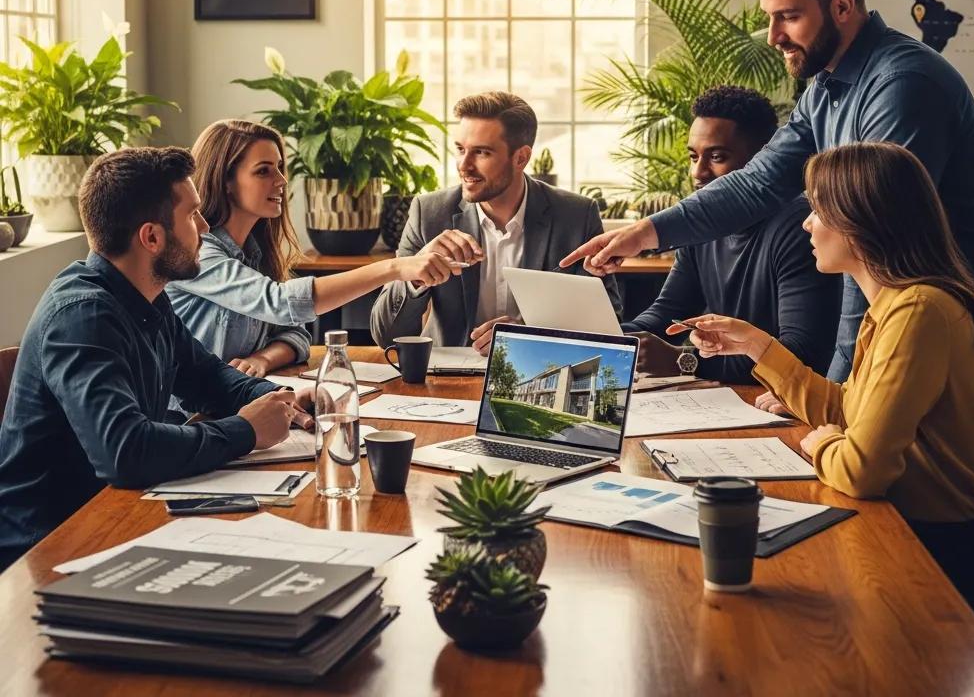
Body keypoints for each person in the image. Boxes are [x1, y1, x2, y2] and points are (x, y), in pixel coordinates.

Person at [562, 0, 974, 382]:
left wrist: (839, 390)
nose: (772, 36)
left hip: (967, 315)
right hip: (914, 316)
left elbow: (872, 243)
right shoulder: (824, 88)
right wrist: (644, 233)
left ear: (842, 5)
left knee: (945, 459)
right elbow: (755, 183)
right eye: (770, 16)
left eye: (788, 16)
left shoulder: (902, 85)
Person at [679, 142, 974, 659]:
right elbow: (851, 410)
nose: (806, 225)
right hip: (935, 535)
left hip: (962, 554)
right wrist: (755, 344)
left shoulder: (918, 311)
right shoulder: (895, 303)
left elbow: (863, 468)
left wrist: (822, 444)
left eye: (818, 211)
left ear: (859, 222)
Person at [0, 147, 318, 570]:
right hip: (51, 547)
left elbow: (208, 377)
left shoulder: (145, 295)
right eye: (193, 216)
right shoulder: (83, 316)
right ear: (151, 237)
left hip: (118, 516)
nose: (205, 228)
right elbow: (125, 452)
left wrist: (282, 399)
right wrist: (245, 430)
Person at [168, 120, 458, 377]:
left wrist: (264, 358)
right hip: (186, 418)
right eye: (264, 171)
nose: (281, 181)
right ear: (226, 181)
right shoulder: (200, 252)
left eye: (280, 168)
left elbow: (296, 331)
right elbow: (282, 304)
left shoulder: (254, 255)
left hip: (232, 404)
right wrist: (395, 268)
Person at [621, 85, 841, 383]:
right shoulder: (701, 226)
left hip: (782, 403)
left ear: (762, 164)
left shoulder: (801, 228)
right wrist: (613, 337)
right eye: (693, 157)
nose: (698, 172)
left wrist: (684, 361)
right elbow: (667, 313)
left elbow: (800, 355)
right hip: (727, 398)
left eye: (716, 156)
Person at [371, 91, 622, 351]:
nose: (464, 165)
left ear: (521, 158)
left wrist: (528, 338)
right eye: (460, 149)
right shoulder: (429, 213)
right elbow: (386, 336)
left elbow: (609, 324)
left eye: (481, 152)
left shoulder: (576, 216)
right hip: (446, 377)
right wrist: (415, 274)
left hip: (536, 372)